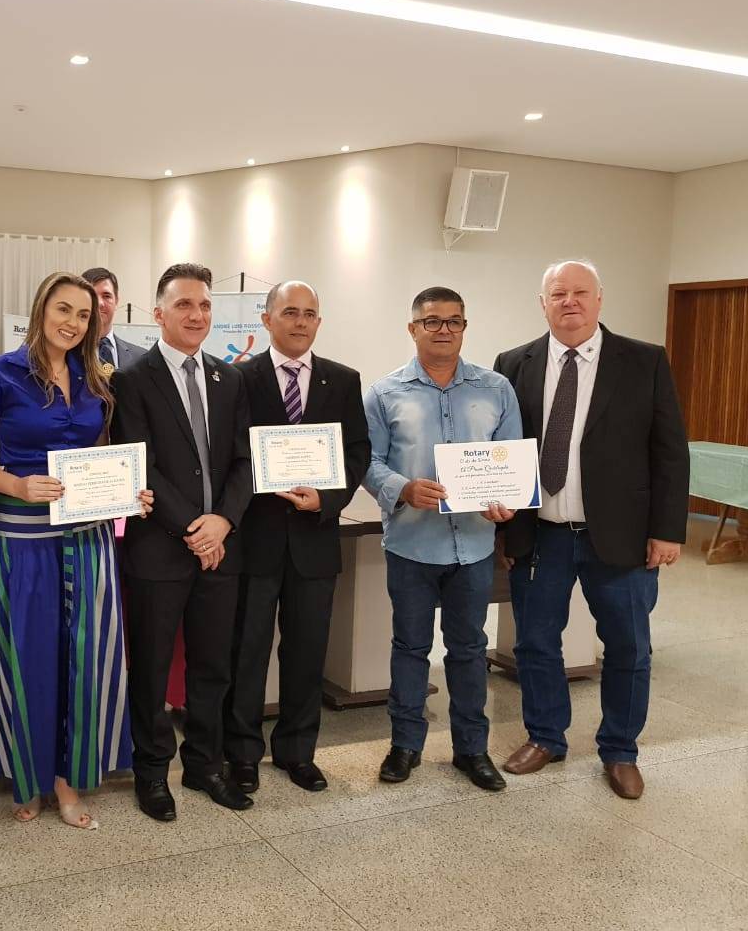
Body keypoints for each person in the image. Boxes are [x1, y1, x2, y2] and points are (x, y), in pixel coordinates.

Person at [0, 271, 149, 830]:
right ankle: (27, 777)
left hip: (88, 536)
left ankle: (68, 779)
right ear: (41, 310)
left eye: (84, 315)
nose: (73, 322)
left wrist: (128, 490)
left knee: (83, 660)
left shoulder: (97, 380)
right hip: (21, 536)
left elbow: (104, 454)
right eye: (63, 309)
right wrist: (17, 485)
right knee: (26, 656)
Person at [494, 260, 689, 800]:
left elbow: (670, 451)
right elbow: (502, 448)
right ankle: (545, 736)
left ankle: (621, 750)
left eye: (580, 292)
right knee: (535, 643)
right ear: (543, 304)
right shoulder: (513, 363)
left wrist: (667, 530)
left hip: (622, 538)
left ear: (599, 299)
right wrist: (503, 527)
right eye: (558, 293)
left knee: (628, 647)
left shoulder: (644, 361)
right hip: (542, 535)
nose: (570, 301)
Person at [362, 286, 520, 792]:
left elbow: (512, 459)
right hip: (412, 544)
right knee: (410, 647)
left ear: (464, 328)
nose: (444, 330)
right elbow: (367, 461)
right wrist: (402, 488)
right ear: (413, 328)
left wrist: (506, 500)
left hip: (474, 546)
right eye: (432, 321)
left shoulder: (496, 389)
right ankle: (405, 745)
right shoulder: (384, 393)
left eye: (454, 321)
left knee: (469, 649)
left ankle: (471, 749)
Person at [111, 262, 254, 821]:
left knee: (212, 665)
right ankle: (151, 772)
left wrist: (223, 522)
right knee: (149, 668)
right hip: (159, 549)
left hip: (221, 548)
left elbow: (243, 460)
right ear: (158, 314)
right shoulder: (131, 380)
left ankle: (204, 764)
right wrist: (196, 527)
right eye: (184, 305)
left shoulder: (229, 379)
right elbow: (140, 463)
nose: (197, 315)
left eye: (205, 305)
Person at [222, 281, 371, 794]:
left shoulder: (342, 380)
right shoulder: (238, 379)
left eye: (310, 313)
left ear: (318, 322)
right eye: (290, 312)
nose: (300, 322)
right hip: (254, 539)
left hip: (315, 539)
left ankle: (297, 751)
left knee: (307, 653)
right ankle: (242, 752)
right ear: (267, 319)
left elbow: (357, 452)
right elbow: (229, 455)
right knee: (247, 652)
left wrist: (326, 500)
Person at [83, 266, 146, 371]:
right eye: (92, 296)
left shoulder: (141, 358)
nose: (99, 303)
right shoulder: (65, 355)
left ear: (116, 301)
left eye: (106, 296)